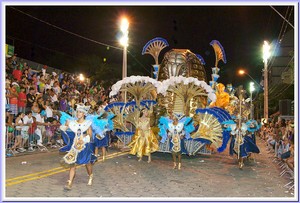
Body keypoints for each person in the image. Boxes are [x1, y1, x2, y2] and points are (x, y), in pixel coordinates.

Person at [61, 104, 97, 190]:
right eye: (77, 112)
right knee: (72, 164)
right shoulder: (73, 123)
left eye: (80, 112)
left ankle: (91, 176)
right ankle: (69, 183)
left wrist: (84, 140)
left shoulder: (88, 123)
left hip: (84, 146)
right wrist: (66, 125)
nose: (78, 113)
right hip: (75, 146)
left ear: (84, 113)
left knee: (87, 164)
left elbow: (90, 136)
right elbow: (63, 130)